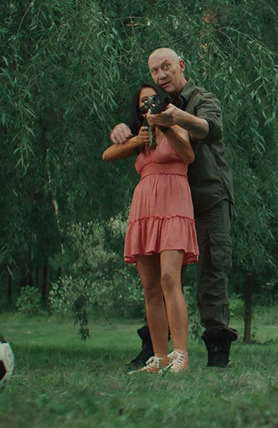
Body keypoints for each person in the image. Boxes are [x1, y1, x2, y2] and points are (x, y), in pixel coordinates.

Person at [111, 48, 237, 368]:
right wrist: (121, 130)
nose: (161, 74)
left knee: (211, 271)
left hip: (207, 197)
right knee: (158, 279)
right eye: (155, 70)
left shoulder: (202, 99)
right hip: (165, 201)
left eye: (166, 67)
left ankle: (217, 350)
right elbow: (132, 135)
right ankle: (154, 348)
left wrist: (174, 117)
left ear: (181, 65)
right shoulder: (155, 102)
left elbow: (209, 129)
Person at [103, 84, 198, 374]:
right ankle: (159, 357)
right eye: (143, 101)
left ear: (162, 101)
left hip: (174, 202)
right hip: (145, 207)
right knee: (150, 286)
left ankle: (180, 353)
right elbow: (107, 155)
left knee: (169, 277)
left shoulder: (176, 123)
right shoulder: (141, 135)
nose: (148, 104)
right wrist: (135, 140)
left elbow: (188, 155)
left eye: (153, 98)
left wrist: (165, 127)